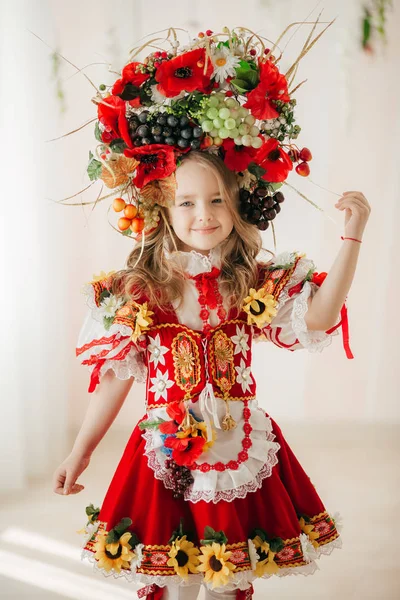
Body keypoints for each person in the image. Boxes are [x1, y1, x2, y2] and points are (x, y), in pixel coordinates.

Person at [52, 25, 371, 600]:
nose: (205, 214)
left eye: (218, 199)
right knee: (174, 583)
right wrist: (81, 449)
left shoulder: (253, 280)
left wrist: (351, 238)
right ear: (160, 209)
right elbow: (114, 381)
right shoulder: (138, 291)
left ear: (238, 202)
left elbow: (319, 318)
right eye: (187, 202)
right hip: (163, 456)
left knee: (230, 583)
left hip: (237, 447)